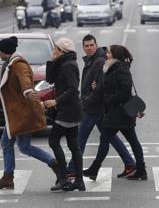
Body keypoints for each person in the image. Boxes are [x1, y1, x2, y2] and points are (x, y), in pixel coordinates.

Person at [0, 36, 60, 190]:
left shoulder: (18, 64)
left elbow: (25, 80)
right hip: (15, 112)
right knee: (22, 146)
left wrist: (28, 91)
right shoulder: (9, 63)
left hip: (20, 113)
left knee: (12, 144)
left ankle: (10, 176)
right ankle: (10, 176)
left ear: (4, 51)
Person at [65, 35, 136, 178]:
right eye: (86, 46)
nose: (89, 48)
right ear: (83, 47)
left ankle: (73, 168)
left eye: (91, 45)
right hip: (95, 105)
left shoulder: (99, 61)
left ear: (96, 45)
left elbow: (102, 86)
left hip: (93, 106)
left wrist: (86, 100)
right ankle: (130, 163)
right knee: (110, 137)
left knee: (81, 136)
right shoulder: (91, 60)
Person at [83, 45, 147, 181]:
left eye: (109, 53)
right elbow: (105, 87)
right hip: (116, 112)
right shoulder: (110, 68)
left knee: (107, 140)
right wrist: (89, 100)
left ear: (115, 55)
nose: (107, 54)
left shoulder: (121, 69)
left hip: (120, 112)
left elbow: (125, 91)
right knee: (130, 141)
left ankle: (95, 169)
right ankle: (140, 170)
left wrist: (108, 98)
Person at [44, 38, 85, 192]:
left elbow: (73, 89)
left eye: (55, 48)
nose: (53, 50)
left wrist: (56, 101)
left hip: (68, 111)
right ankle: (78, 181)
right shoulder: (64, 63)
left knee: (53, 141)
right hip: (71, 110)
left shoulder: (68, 65)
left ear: (62, 51)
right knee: (73, 145)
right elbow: (50, 79)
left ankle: (64, 179)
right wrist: (52, 61)